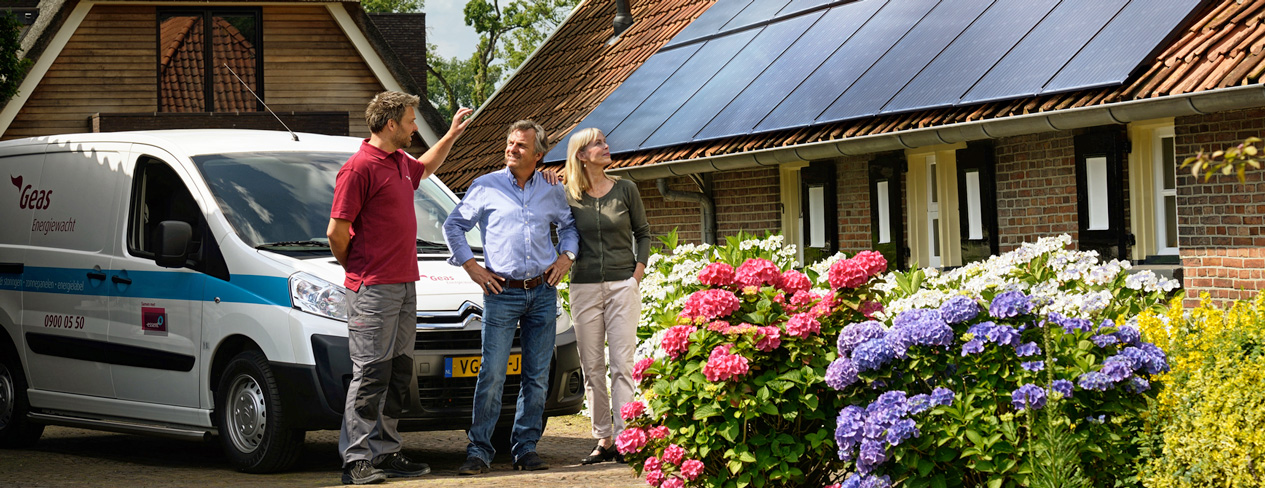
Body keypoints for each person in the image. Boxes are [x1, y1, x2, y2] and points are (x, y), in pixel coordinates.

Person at [328, 91, 473, 485]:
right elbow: (337, 232)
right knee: (371, 373)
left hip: (405, 283)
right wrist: (359, 269)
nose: (414, 127)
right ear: (390, 124)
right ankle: (355, 460)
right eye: (410, 121)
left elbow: (424, 168)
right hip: (373, 288)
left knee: (396, 372)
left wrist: (453, 135)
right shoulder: (358, 168)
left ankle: (386, 451)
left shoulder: (398, 162)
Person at [443, 120, 579, 475]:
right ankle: (479, 451)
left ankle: (526, 448)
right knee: (492, 373)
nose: (511, 149)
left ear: (538, 154)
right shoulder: (485, 186)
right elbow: (453, 225)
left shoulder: (552, 188)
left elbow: (568, 226)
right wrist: (472, 268)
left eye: (520, 145)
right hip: (501, 293)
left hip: (543, 292)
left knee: (536, 376)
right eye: (509, 142)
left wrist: (567, 257)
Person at [561, 128, 650, 465]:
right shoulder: (567, 195)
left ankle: (626, 438)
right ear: (582, 155)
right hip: (583, 287)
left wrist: (635, 277)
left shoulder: (626, 189)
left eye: (604, 141)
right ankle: (603, 438)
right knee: (592, 366)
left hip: (622, 286)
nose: (606, 146)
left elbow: (643, 233)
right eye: (598, 143)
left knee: (622, 365)